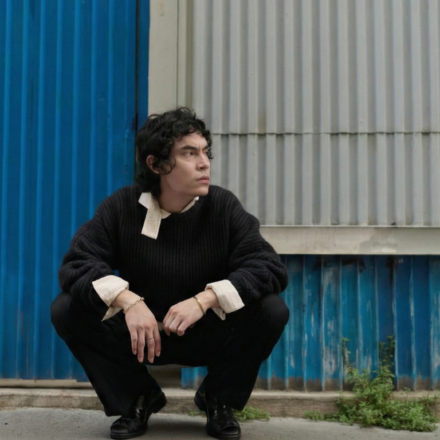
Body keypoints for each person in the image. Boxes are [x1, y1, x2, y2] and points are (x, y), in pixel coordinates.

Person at [51, 107, 289, 440]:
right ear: (156, 164)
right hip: (143, 337)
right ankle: (138, 397)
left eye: (205, 152)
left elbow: (268, 266)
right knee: (66, 308)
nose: (204, 163)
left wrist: (204, 300)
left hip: (206, 332)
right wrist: (129, 302)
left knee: (271, 309)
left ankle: (218, 398)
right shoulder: (122, 207)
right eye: (189, 153)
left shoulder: (223, 207)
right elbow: (77, 263)